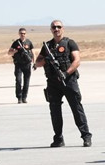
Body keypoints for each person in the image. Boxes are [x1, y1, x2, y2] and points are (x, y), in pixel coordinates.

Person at [35, 20, 92, 148]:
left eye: (58, 27)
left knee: (77, 108)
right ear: (51, 30)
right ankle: (58, 138)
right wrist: (45, 59)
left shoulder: (69, 43)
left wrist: (66, 74)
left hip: (69, 81)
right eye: (54, 27)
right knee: (55, 111)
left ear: (63, 28)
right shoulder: (47, 46)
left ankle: (86, 136)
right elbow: (38, 63)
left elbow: (77, 61)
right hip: (53, 83)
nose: (56, 29)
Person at [8, 27, 34, 103]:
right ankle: (19, 97)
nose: (23, 35)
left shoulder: (29, 42)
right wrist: (14, 51)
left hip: (27, 65)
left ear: (26, 34)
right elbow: (9, 53)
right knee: (18, 81)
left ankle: (24, 97)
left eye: (24, 33)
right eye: (21, 33)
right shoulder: (16, 43)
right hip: (18, 65)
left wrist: (34, 62)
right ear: (19, 34)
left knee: (27, 82)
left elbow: (33, 53)